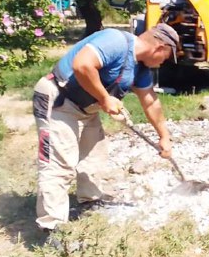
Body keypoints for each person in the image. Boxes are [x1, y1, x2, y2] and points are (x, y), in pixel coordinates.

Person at [31, 23, 179, 232]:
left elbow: (150, 101)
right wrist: (105, 98)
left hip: (86, 109)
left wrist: (164, 136)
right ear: (160, 48)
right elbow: (82, 65)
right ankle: (51, 227)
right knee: (59, 163)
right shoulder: (115, 41)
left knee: (94, 156)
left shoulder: (140, 67)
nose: (163, 63)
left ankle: (89, 201)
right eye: (166, 57)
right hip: (59, 102)